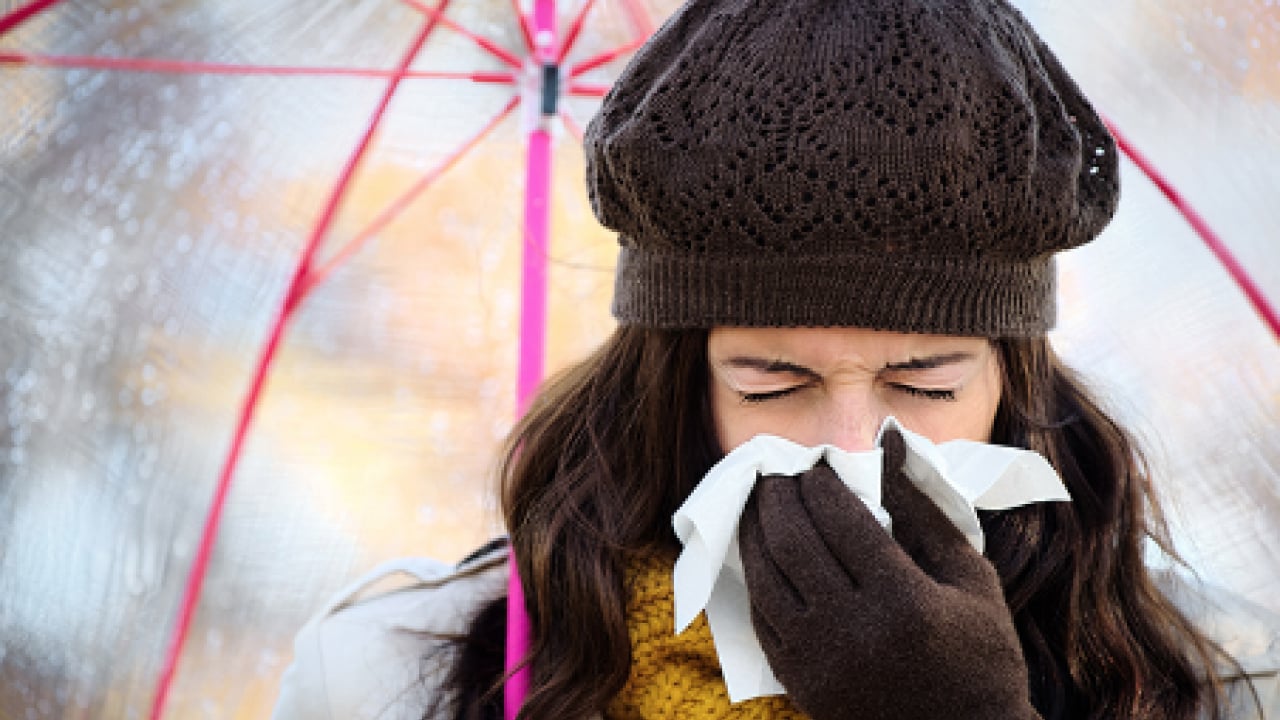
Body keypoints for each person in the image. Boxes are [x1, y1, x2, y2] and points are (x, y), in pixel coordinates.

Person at [272, 0, 1280, 718]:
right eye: (770, 382)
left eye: (924, 384)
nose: (846, 449)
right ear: (672, 385)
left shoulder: (1214, 681)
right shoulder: (394, 676)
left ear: (1013, 384)